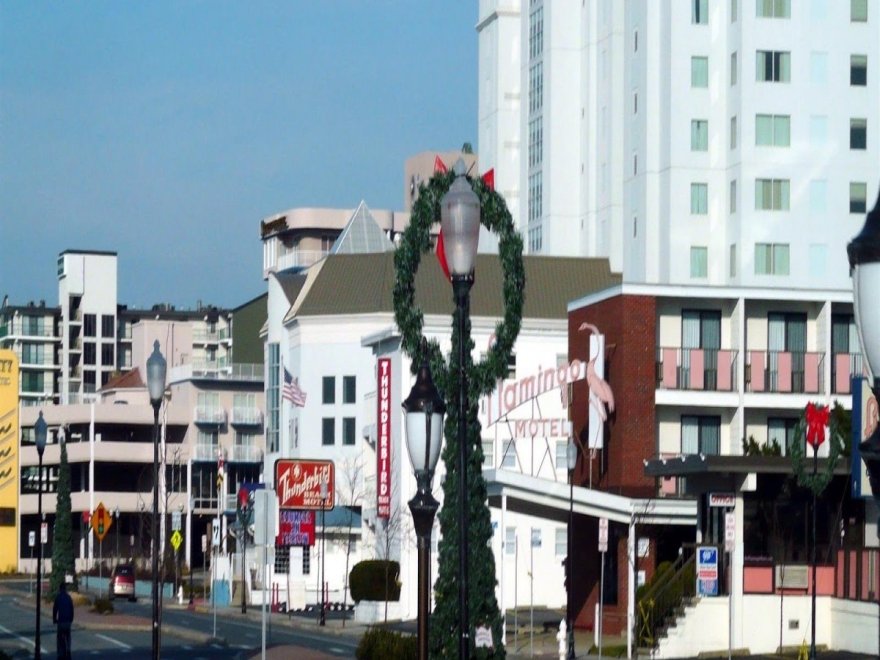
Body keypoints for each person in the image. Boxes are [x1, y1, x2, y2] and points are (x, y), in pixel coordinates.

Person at [52, 581, 74, 660]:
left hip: (61, 621)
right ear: (65, 589)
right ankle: (68, 649)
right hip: (68, 621)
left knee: (59, 637)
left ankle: (60, 653)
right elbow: (72, 609)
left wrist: (54, 619)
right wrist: (71, 619)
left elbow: (55, 609)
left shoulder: (58, 597)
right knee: (68, 636)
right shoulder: (69, 597)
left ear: (60, 589)